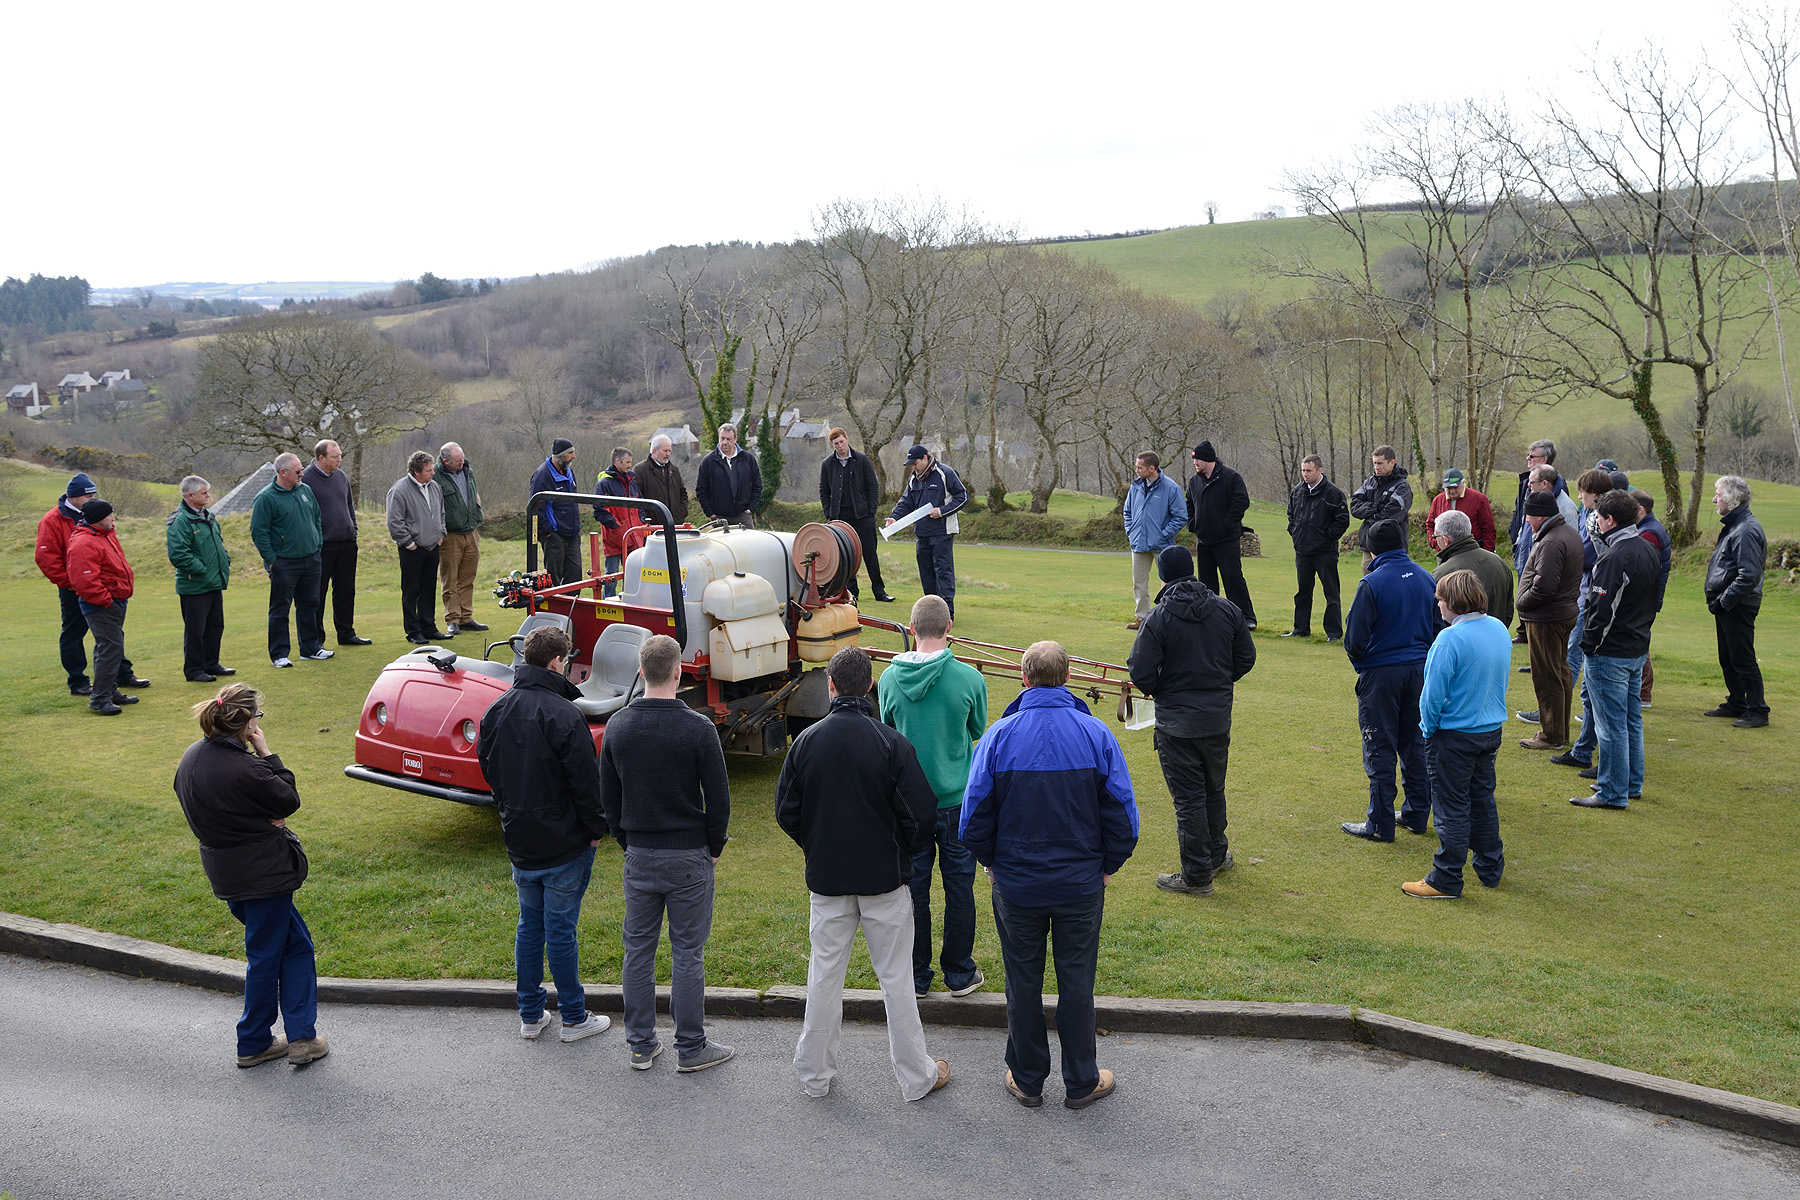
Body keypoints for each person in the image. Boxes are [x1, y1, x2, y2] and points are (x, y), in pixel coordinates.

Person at [961, 641, 1139, 1110]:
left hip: (1018, 885)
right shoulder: (1096, 734)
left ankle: (1028, 1078)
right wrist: (1105, 868)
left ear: (1024, 679)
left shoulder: (998, 737)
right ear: (1067, 678)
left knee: (1023, 981)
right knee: (1076, 982)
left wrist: (992, 863)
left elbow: (973, 818)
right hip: (1079, 884)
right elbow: (1124, 818)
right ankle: (1080, 1080)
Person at [778, 647, 950, 1101]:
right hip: (883, 881)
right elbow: (922, 814)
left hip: (830, 879)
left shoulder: (807, 743)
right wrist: (901, 854)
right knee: (896, 981)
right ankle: (916, 1076)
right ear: (869, 686)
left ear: (831, 686)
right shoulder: (891, 744)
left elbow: (787, 813)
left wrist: (817, 846)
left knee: (824, 976)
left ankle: (814, 1073)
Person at [599, 634, 735, 1072]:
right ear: (678, 672)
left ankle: (641, 1044)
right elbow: (720, 798)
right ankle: (691, 1047)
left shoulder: (619, 725)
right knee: (687, 953)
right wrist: (713, 848)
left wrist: (627, 840)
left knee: (637, 951)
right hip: (690, 855)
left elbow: (608, 798)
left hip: (639, 853)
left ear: (641, 672)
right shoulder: (697, 728)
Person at [173, 684, 327, 1067]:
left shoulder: (192, 758)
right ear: (248, 721)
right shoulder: (248, 767)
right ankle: (257, 1040)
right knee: (266, 955)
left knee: (294, 945)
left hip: (228, 873)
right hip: (263, 875)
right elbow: (288, 799)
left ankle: (301, 1035)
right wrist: (267, 751)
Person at [477, 626, 613, 1044]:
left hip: (520, 837)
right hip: (564, 842)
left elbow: (488, 767)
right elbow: (585, 785)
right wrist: (595, 831)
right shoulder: (565, 713)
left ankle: (531, 1014)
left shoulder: (496, 709)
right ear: (557, 662)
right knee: (560, 930)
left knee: (529, 927)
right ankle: (573, 1016)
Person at [877, 595, 989, 999]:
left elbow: (887, 732)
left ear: (911, 630)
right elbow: (976, 728)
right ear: (949, 629)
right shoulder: (970, 678)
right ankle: (959, 972)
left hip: (908, 802)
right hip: (957, 797)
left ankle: (917, 974)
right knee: (960, 886)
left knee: (914, 889)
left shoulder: (888, 680)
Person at [1128, 545, 1256, 895]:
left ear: (1163, 576)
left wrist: (1164, 689)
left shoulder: (1158, 618)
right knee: (1213, 790)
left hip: (1177, 725)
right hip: (1215, 719)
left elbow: (1140, 672)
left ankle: (1197, 875)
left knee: (1189, 800)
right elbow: (1245, 657)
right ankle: (1215, 854)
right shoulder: (1226, 609)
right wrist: (1217, 681)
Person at [1403, 569, 1511, 899]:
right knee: (1481, 800)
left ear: (1453, 602)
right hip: (1489, 729)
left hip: (1454, 734)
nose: (1437, 606)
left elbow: (1432, 695)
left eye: (1440, 600)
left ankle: (1446, 878)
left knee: (1451, 806)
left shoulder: (1449, 639)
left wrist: (1427, 728)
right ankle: (1490, 867)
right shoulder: (1497, 628)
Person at [1339, 519, 1436, 841]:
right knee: (1415, 743)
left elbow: (1354, 638)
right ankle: (1417, 814)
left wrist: (1365, 665)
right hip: (1420, 671)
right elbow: (1439, 627)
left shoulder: (1372, 583)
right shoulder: (1426, 578)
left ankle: (1380, 823)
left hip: (1382, 674)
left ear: (1373, 549)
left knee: (1379, 746)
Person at [1571, 490, 1662, 809]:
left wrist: (1589, 647)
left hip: (1611, 652)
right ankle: (1630, 783)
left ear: (1609, 520)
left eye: (1597, 516)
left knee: (1610, 725)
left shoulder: (1615, 557)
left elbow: (1602, 611)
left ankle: (1612, 792)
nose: (1593, 520)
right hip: (1636, 647)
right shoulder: (1647, 548)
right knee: (1630, 720)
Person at [37, 473, 140, 696]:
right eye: (88, 495)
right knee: (74, 632)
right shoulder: (53, 520)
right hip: (75, 587)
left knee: (111, 633)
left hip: (102, 586)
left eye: (94, 494)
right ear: (73, 497)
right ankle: (78, 680)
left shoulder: (98, 517)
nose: (91, 499)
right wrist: (72, 582)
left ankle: (120, 674)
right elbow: (46, 558)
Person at [1514, 490, 1583, 750]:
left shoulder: (1552, 541)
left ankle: (1551, 735)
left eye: (1529, 515)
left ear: (1539, 515)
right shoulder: (1567, 534)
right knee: (1560, 672)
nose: (1527, 520)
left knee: (1547, 677)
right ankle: (1559, 731)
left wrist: (1522, 601)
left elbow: (1544, 586)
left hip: (1547, 619)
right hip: (1560, 615)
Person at [1557, 470, 1615, 770]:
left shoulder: (1597, 520)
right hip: (1589, 597)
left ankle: (1562, 726)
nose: (1579, 497)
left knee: (1584, 673)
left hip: (1592, 602)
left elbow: (1585, 556)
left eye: (1582, 492)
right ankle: (1582, 747)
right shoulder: (1592, 516)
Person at [251, 453, 330, 668]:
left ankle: (310, 648)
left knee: (310, 604)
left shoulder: (305, 490)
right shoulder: (266, 498)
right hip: (284, 563)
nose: (302, 474)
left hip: (311, 559)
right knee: (280, 609)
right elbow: (259, 532)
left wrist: (317, 547)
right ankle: (279, 654)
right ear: (283, 473)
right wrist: (272, 560)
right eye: (297, 471)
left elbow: (316, 518)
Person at [1704, 475, 1769, 729]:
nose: (1714, 499)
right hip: (1730, 603)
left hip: (1739, 604)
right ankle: (1737, 702)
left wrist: (1724, 601)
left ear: (1731, 499)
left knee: (1742, 658)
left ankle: (1758, 710)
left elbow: (1749, 575)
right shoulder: (1735, 525)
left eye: (1718, 495)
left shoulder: (1745, 529)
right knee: (1728, 657)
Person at [67, 501, 137, 716]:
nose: (113, 518)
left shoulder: (104, 534)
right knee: (110, 648)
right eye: (109, 515)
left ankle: (109, 691)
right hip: (101, 604)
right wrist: (106, 600)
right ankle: (100, 699)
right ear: (98, 517)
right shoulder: (84, 542)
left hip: (114, 600)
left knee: (108, 648)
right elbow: (85, 580)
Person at [301, 440, 370, 647]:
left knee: (346, 590)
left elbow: (349, 505)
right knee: (317, 594)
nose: (340, 459)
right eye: (335, 456)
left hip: (347, 543)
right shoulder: (306, 479)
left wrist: (353, 530)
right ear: (321, 458)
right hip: (322, 547)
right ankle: (316, 640)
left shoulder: (341, 476)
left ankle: (346, 634)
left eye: (340, 455)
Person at [167, 475, 235, 683]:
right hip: (195, 585)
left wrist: (225, 560)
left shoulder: (209, 516)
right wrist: (202, 570)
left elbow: (217, 544)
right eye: (204, 493)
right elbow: (178, 554)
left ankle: (211, 663)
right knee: (196, 630)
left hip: (214, 581)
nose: (208, 496)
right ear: (190, 495)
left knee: (215, 626)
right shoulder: (180, 521)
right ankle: (194, 669)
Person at [886, 446, 968, 618]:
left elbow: (963, 496)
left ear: (925, 458)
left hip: (942, 532)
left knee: (943, 572)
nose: (913, 467)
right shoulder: (914, 478)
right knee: (926, 574)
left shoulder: (945, 473)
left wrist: (942, 511)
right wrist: (894, 518)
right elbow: (906, 501)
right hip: (921, 533)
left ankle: (947, 615)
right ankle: (932, 614)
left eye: (915, 463)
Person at [1185, 440, 1257, 628]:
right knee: (1206, 583)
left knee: (1233, 579)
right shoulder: (1194, 481)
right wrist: (1193, 524)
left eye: (1198, 460)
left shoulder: (1230, 477)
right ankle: (1210, 619)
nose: (1195, 464)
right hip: (1204, 540)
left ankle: (1245, 618)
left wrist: (1227, 524)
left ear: (1208, 459)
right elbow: (1189, 504)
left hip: (1227, 539)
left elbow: (1241, 502)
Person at [820, 427, 893, 603]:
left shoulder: (861, 460)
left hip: (863, 516)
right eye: (835, 443)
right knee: (846, 556)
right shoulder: (828, 464)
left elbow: (872, 486)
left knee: (869, 553)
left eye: (841, 441)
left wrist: (871, 511)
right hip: (839, 517)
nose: (839, 445)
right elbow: (824, 490)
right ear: (832, 445)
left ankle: (879, 591)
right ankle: (853, 593)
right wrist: (829, 513)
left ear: (847, 439)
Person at [1284, 453, 1350, 640]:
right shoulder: (1297, 491)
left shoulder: (1333, 493)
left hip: (1325, 552)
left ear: (1319, 470)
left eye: (1309, 471)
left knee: (1331, 593)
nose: (1305, 474)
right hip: (1302, 551)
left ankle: (1334, 633)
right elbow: (1291, 514)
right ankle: (1300, 629)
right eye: (1303, 470)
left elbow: (1342, 521)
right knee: (1303, 592)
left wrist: (1326, 538)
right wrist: (1295, 532)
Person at [386, 450, 448, 645]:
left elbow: (441, 513)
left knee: (429, 589)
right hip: (412, 549)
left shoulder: (435, 487)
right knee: (411, 591)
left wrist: (441, 534)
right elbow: (394, 521)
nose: (433, 473)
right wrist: (409, 543)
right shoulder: (400, 490)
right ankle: (413, 631)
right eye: (429, 470)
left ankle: (429, 627)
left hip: (432, 547)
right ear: (416, 472)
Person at [1122, 451, 1187, 630]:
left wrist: (1163, 534)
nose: (1136, 470)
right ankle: (1142, 618)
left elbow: (1180, 517)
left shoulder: (1171, 488)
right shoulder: (1135, 487)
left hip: (1163, 545)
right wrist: (1131, 531)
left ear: (1152, 468)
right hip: (1138, 544)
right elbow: (1127, 512)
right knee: (1139, 583)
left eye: (1139, 467)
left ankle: (1166, 619)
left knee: (1168, 584)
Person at [1428, 509, 1513, 630]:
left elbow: (1436, 621)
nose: (1435, 541)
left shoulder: (1442, 574)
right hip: (1496, 638)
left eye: (1436, 536)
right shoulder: (1498, 562)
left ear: (1445, 540)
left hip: (1460, 645)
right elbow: (1508, 610)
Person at [435, 442, 487, 637]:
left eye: (462, 458)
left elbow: (473, 493)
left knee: (468, 577)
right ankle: (452, 619)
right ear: (445, 460)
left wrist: (477, 512)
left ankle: (466, 617)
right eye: (457, 460)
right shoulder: (436, 476)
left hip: (471, 532)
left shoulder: (467, 470)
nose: (462, 462)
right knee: (450, 578)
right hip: (450, 535)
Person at [1631, 489, 1672, 708]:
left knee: (1639, 642)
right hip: (1647, 598)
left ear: (1640, 509)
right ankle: (1642, 691)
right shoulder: (1649, 529)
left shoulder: (1649, 533)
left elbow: (1644, 568)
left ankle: (1643, 692)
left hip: (1644, 598)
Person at [1349, 445, 1414, 571]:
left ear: (1392, 463)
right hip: (1369, 546)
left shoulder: (1402, 487)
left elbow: (1392, 516)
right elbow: (1354, 507)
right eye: (1374, 463)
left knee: (1393, 582)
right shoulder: (1369, 483)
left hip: (1394, 547)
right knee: (1370, 583)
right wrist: (1375, 507)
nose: (1376, 467)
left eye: (1380, 463)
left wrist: (1369, 516)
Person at [529, 438, 584, 587]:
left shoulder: (569, 472)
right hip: (554, 535)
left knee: (575, 574)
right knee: (554, 577)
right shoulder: (542, 475)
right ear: (559, 456)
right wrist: (548, 532)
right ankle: (556, 609)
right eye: (570, 453)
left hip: (572, 534)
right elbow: (535, 506)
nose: (574, 456)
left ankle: (571, 608)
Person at [596, 447, 645, 600]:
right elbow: (598, 509)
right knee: (611, 577)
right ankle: (607, 605)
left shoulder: (631, 482)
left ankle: (631, 601)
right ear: (617, 461)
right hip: (615, 538)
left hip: (634, 535)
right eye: (627, 462)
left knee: (633, 574)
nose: (630, 465)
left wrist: (640, 521)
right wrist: (616, 525)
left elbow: (641, 503)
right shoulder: (605, 483)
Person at [695, 423, 763, 527]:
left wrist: (750, 509)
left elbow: (757, 485)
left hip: (743, 516)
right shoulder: (708, 462)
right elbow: (701, 489)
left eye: (728, 439)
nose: (724, 442)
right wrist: (711, 514)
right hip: (719, 518)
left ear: (735, 439)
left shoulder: (748, 459)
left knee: (747, 543)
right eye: (722, 438)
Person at [1508, 440, 1560, 569]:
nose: (1528, 458)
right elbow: (1519, 514)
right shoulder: (1526, 483)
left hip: (1539, 556)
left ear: (1544, 459)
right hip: (1523, 552)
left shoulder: (1556, 487)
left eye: (1532, 456)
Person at [1426, 468, 1497, 552]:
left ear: (1463, 483)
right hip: (1445, 552)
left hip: (1472, 550)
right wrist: (1435, 543)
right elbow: (1430, 524)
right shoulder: (1438, 500)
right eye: (1448, 488)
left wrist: (1488, 552)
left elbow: (1488, 528)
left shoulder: (1479, 499)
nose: (1452, 491)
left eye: (1455, 487)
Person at [639, 433, 690, 526]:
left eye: (670, 451)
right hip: (653, 525)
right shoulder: (640, 470)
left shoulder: (674, 470)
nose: (668, 454)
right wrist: (644, 519)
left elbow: (682, 493)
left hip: (675, 523)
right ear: (654, 450)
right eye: (665, 451)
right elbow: (637, 498)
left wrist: (682, 511)